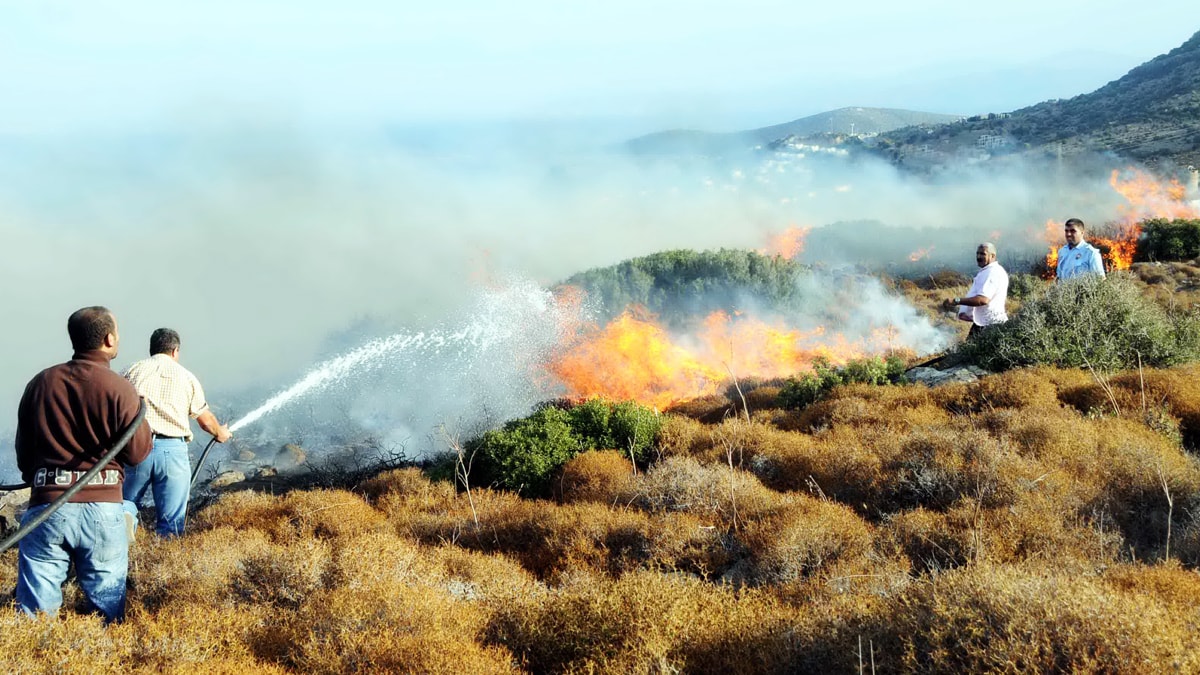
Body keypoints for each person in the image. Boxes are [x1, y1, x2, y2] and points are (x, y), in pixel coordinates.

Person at [14, 306, 152, 623]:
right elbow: (136, 454)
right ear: (108, 338)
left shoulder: (40, 383)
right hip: (102, 513)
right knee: (106, 609)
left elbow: (24, 456)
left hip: (46, 509)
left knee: (35, 615)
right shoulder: (121, 388)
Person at [122, 328, 231, 538]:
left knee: (125, 502)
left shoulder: (132, 370)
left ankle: (125, 525)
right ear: (175, 351)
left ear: (152, 349)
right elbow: (205, 420)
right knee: (172, 519)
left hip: (136, 446)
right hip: (172, 450)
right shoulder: (187, 377)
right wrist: (221, 433)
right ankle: (166, 559)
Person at [942, 242, 1009, 337]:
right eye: (977, 253)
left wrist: (956, 300)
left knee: (971, 351)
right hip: (985, 323)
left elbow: (983, 300)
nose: (978, 257)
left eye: (983, 254)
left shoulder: (992, 273)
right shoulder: (990, 271)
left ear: (993, 256)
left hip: (989, 325)